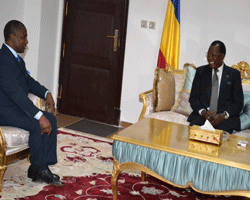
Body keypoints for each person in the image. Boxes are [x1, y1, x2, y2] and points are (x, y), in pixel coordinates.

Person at [0, 20, 64, 186]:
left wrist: (46, 93)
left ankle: (40, 168)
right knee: (38, 123)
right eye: (24, 37)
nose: (26, 41)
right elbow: (15, 94)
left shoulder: (16, 59)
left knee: (51, 119)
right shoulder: (3, 61)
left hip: (15, 107)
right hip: (5, 111)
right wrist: (38, 115)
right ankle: (38, 168)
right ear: (12, 38)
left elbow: (28, 82)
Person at [187, 40, 243, 134]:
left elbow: (238, 103)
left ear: (222, 56)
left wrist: (224, 115)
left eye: (214, 55)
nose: (210, 58)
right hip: (202, 118)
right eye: (208, 55)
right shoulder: (201, 72)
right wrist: (203, 112)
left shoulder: (234, 74)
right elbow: (193, 98)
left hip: (224, 121)